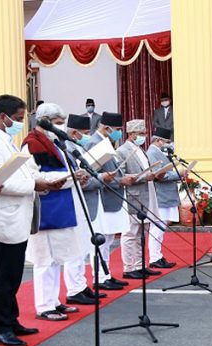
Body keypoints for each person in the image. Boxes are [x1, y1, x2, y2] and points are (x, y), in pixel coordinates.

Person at [0, 94, 61, 346]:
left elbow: (21, 173)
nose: (21, 123)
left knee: (14, 274)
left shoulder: (5, 139)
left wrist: (42, 180)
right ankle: (0, 327)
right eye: (18, 118)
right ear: (3, 117)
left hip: (19, 214)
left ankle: (11, 320)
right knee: (5, 275)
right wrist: (35, 184)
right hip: (5, 216)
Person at [21, 103, 79, 321]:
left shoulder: (54, 143)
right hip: (45, 206)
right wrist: (67, 178)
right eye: (57, 123)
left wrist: (74, 176)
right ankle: (44, 305)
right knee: (44, 258)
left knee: (56, 258)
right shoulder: (32, 144)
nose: (60, 127)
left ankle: (53, 300)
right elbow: (33, 177)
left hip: (59, 204)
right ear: (44, 122)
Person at [63, 113, 107, 305]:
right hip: (77, 202)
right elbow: (77, 180)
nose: (88, 136)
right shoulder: (67, 149)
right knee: (75, 250)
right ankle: (74, 289)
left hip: (86, 203)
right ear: (74, 133)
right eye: (85, 132)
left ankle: (81, 285)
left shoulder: (77, 147)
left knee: (82, 247)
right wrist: (100, 179)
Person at [118, 119, 169, 280]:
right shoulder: (122, 151)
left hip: (147, 194)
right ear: (131, 134)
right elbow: (121, 176)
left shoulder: (141, 150)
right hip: (134, 196)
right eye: (141, 133)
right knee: (131, 233)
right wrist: (143, 177)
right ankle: (129, 267)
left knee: (142, 232)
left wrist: (157, 174)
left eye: (144, 133)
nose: (144, 136)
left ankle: (140, 265)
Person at [84, 112, 130, 290]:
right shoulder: (94, 143)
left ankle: (106, 274)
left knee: (108, 239)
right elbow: (92, 174)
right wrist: (119, 180)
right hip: (102, 197)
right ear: (105, 127)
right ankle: (100, 278)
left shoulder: (105, 141)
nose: (118, 133)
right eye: (117, 129)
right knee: (101, 239)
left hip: (112, 195)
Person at [145, 127, 181, 269]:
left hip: (166, 194)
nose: (168, 144)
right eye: (167, 142)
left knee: (161, 227)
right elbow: (159, 175)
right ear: (159, 141)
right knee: (157, 227)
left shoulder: (159, 152)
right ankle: (154, 258)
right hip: (160, 194)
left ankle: (158, 255)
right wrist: (178, 174)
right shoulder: (152, 153)